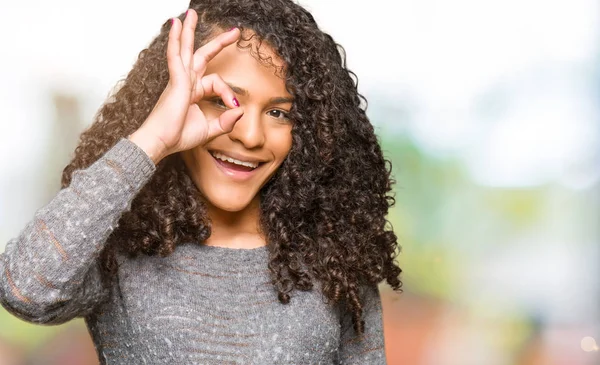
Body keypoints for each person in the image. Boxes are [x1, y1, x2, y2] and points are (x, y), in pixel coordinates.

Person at [0, 0, 403, 363]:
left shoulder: (334, 256)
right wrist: (154, 138)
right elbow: (24, 290)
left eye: (280, 113)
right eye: (221, 100)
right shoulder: (120, 244)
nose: (249, 135)